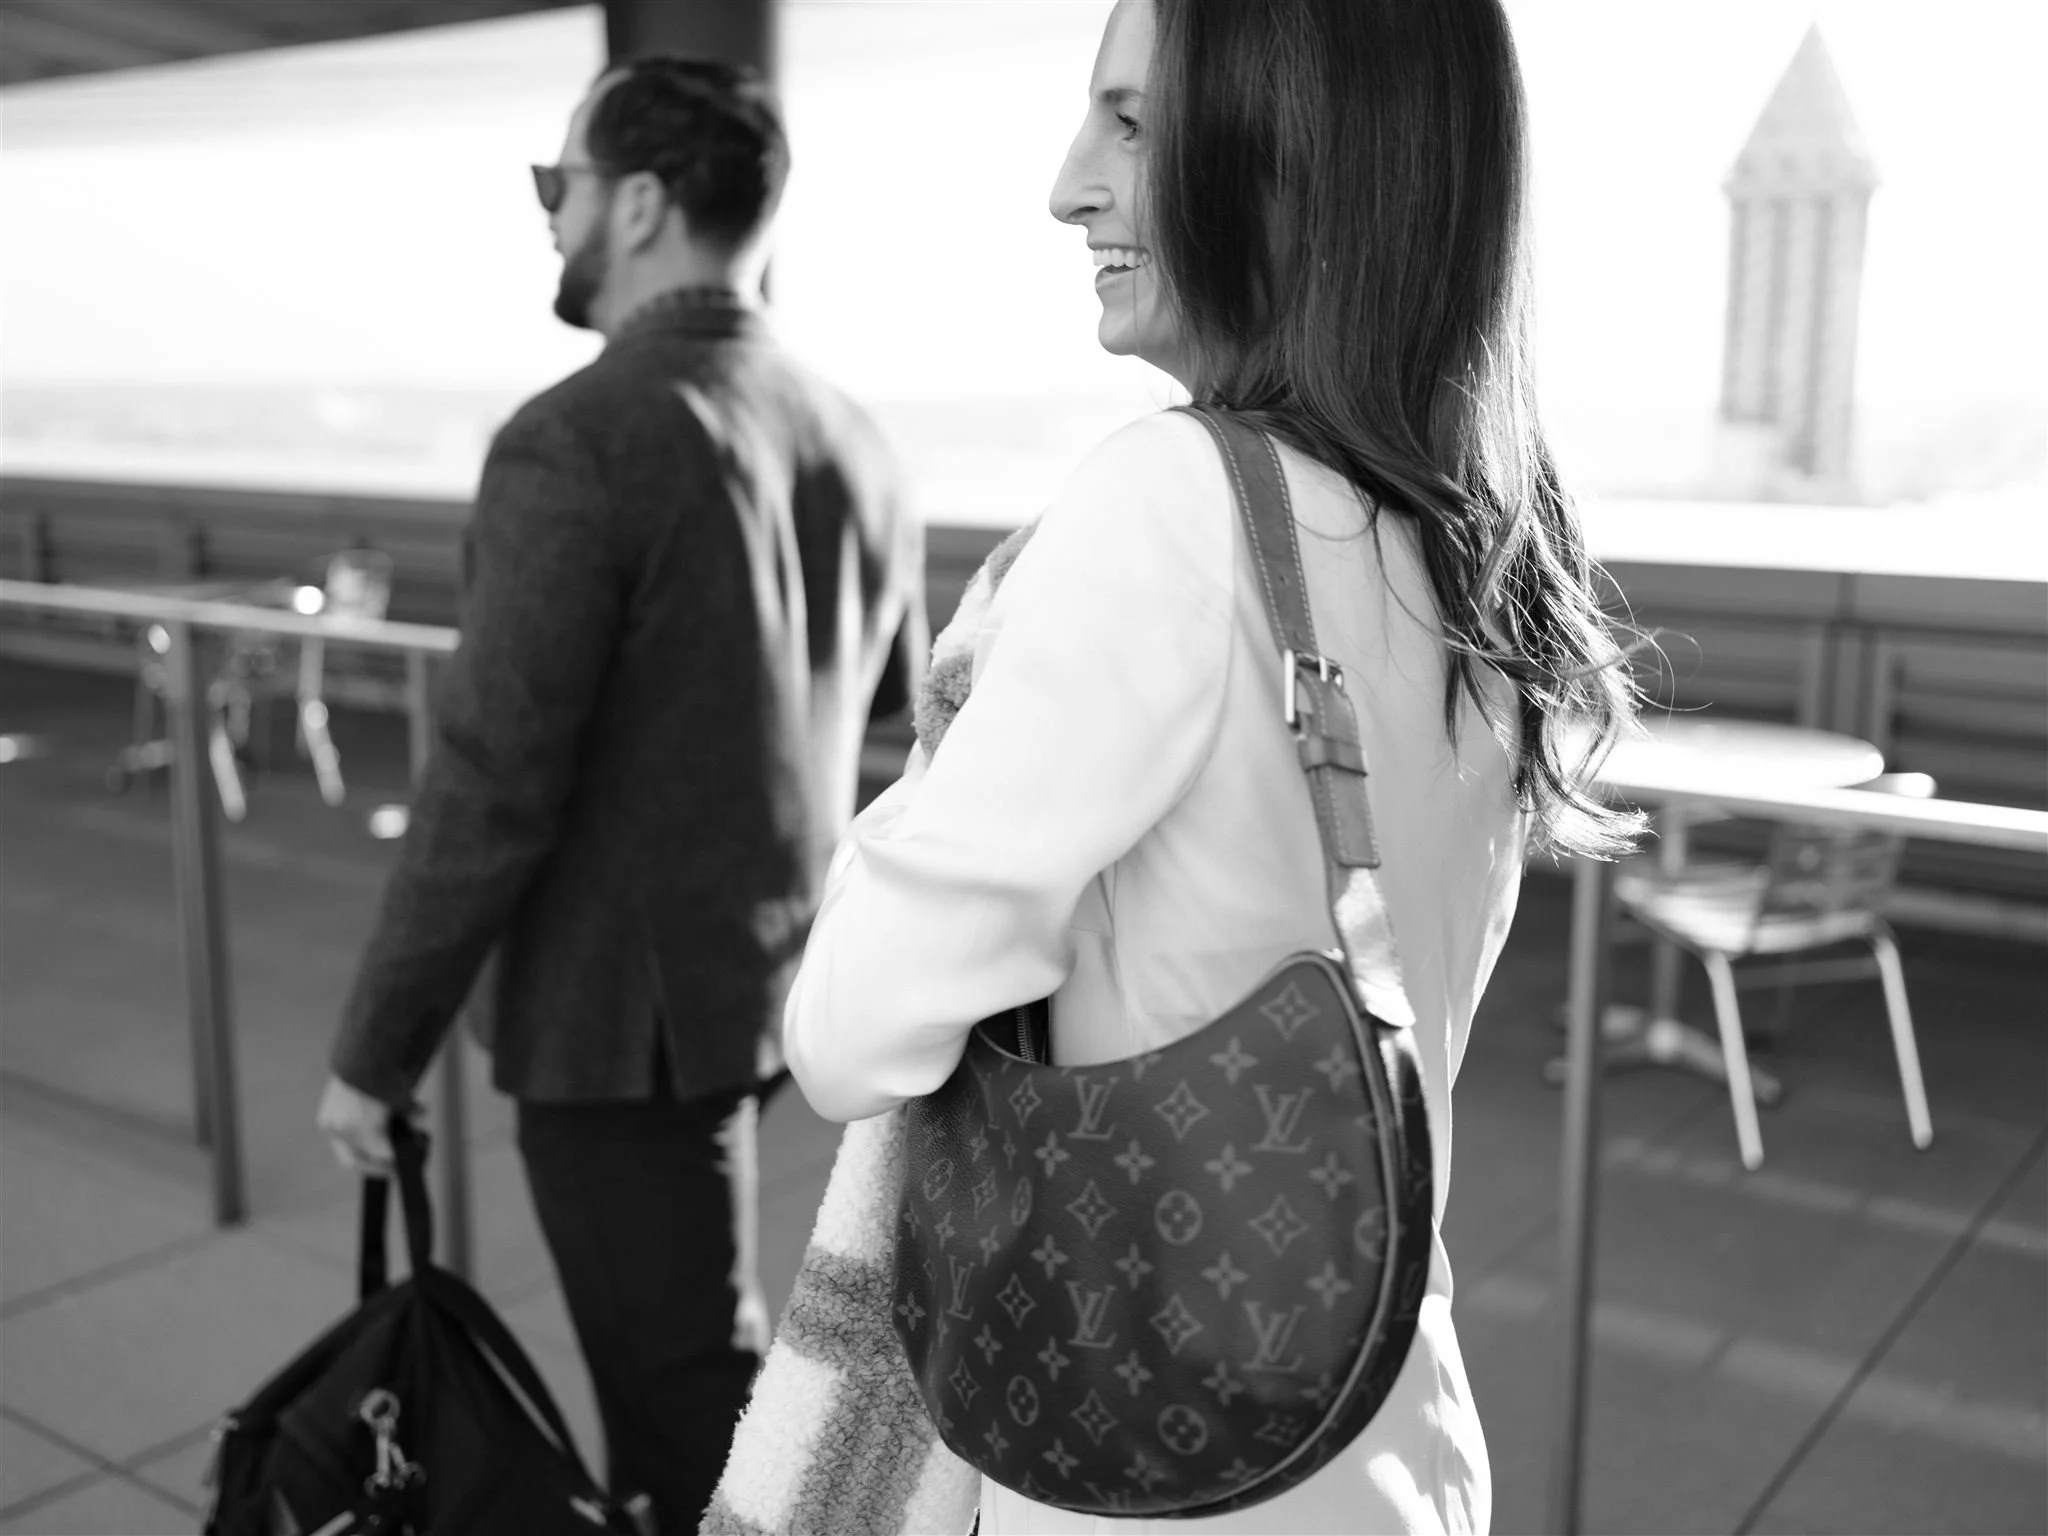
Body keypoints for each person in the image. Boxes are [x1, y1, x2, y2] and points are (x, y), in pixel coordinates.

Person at [772, 0, 1640, 1532]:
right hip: (1385, 1427)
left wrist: (959, 725)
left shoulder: (1170, 503)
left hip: (1152, 1454)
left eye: (1131, 122)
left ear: (1295, 153)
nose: (1068, 185)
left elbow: (848, 1029)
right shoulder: (1486, 547)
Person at [316, 57, 923, 1535]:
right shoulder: (854, 431)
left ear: (640, 203)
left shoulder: (575, 439)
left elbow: (487, 787)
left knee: (686, 1398)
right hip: (774, 979)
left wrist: (374, 1053)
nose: (549, 219)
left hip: (618, 1029)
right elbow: (897, 712)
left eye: (557, 186)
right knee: (713, 1342)